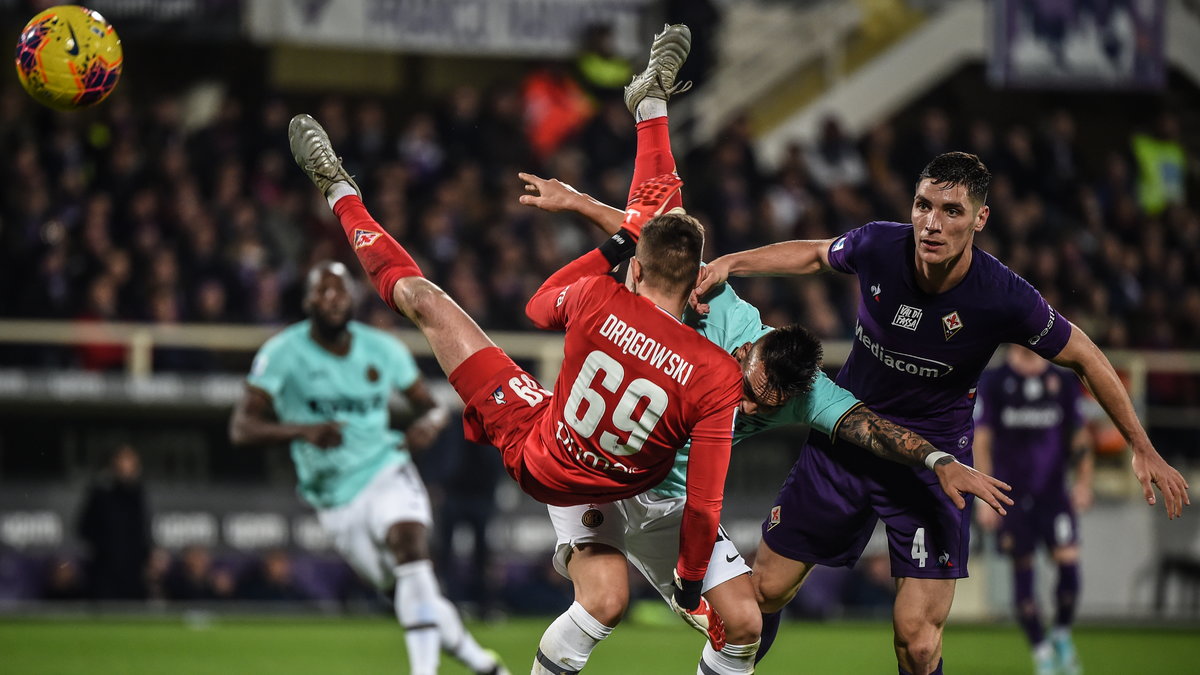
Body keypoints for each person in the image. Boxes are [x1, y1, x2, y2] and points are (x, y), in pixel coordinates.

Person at [513, 24, 1012, 675]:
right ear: (747, 349)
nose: (745, 408)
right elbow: (657, 238)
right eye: (746, 391)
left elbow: (872, 428)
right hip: (605, 459)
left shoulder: (809, 391)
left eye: (762, 406)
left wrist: (941, 457)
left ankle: (649, 103)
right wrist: (578, 202)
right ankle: (652, 107)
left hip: (669, 502)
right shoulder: (716, 309)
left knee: (745, 620)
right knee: (602, 601)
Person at [286, 102, 745, 672]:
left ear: (640, 269)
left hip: (543, 447)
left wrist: (619, 239)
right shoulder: (715, 371)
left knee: (425, 303)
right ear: (697, 278)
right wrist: (690, 585)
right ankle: (651, 108)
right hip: (620, 477)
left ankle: (340, 194)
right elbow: (704, 505)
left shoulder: (599, 297)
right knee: (707, 616)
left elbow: (537, 306)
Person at [693, 150, 1191, 675]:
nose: (931, 223)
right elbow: (817, 254)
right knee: (765, 590)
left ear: (981, 218)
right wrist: (731, 262)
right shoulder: (879, 245)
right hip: (845, 441)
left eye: (951, 211)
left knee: (919, 643)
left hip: (932, 466)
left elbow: (1085, 357)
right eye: (922, 205)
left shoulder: (1003, 297)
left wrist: (1141, 445)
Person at [229, 261, 506, 675]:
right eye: (323, 292)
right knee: (409, 590)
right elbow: (241, 427)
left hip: (385, 468)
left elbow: (431, 408)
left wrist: (426, 426)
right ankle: (482, 662)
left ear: (353, 299)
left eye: (340, 292)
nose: (333, 300)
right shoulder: (282, 353)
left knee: (411, 548)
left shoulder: (383, 349)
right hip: (334, 496)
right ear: (308, 301)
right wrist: (302, 431)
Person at [974, 346, 1094, 675]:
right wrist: (986, 496)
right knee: (1022, 572)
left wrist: (1083, 482)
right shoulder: (995, 381)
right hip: (1011, 497)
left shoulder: (1062, 380)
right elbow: (981, 438)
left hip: (1054, 494)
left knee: (1069, 568)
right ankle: (1041, 653)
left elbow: (1080, 436)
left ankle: (1061, 634)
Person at [77, 443, 152, 600]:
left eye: (131, 462)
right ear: (114, 464)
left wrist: (148, 557)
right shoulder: (100, 493)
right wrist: (105, 547)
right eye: (123, 461)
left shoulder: (138, 494)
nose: (126, 467)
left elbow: (142, 531)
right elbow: (84, 528)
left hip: (133, 570)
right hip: (105, 570)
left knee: (135, 616)